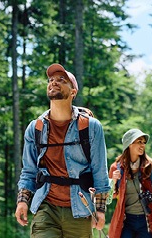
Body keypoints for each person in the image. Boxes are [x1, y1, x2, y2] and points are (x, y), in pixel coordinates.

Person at [14, 63, 110, 238]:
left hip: (80, 209)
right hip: (46, 207)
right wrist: (22, 201)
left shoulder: (91, 127)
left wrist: (100, 210)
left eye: (61, 80)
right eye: (51, 80)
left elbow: (100, 171)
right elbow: (29, 170)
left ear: (73, 92)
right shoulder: (35, 128)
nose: (54, 82)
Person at [108, 128, 152, 238]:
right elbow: (110, 196)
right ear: (129, 144)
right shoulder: (116, 167)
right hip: (125, 221)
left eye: (144, 142)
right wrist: (113, 181)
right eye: (139, 142)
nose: (143, 145)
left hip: (146, 220)